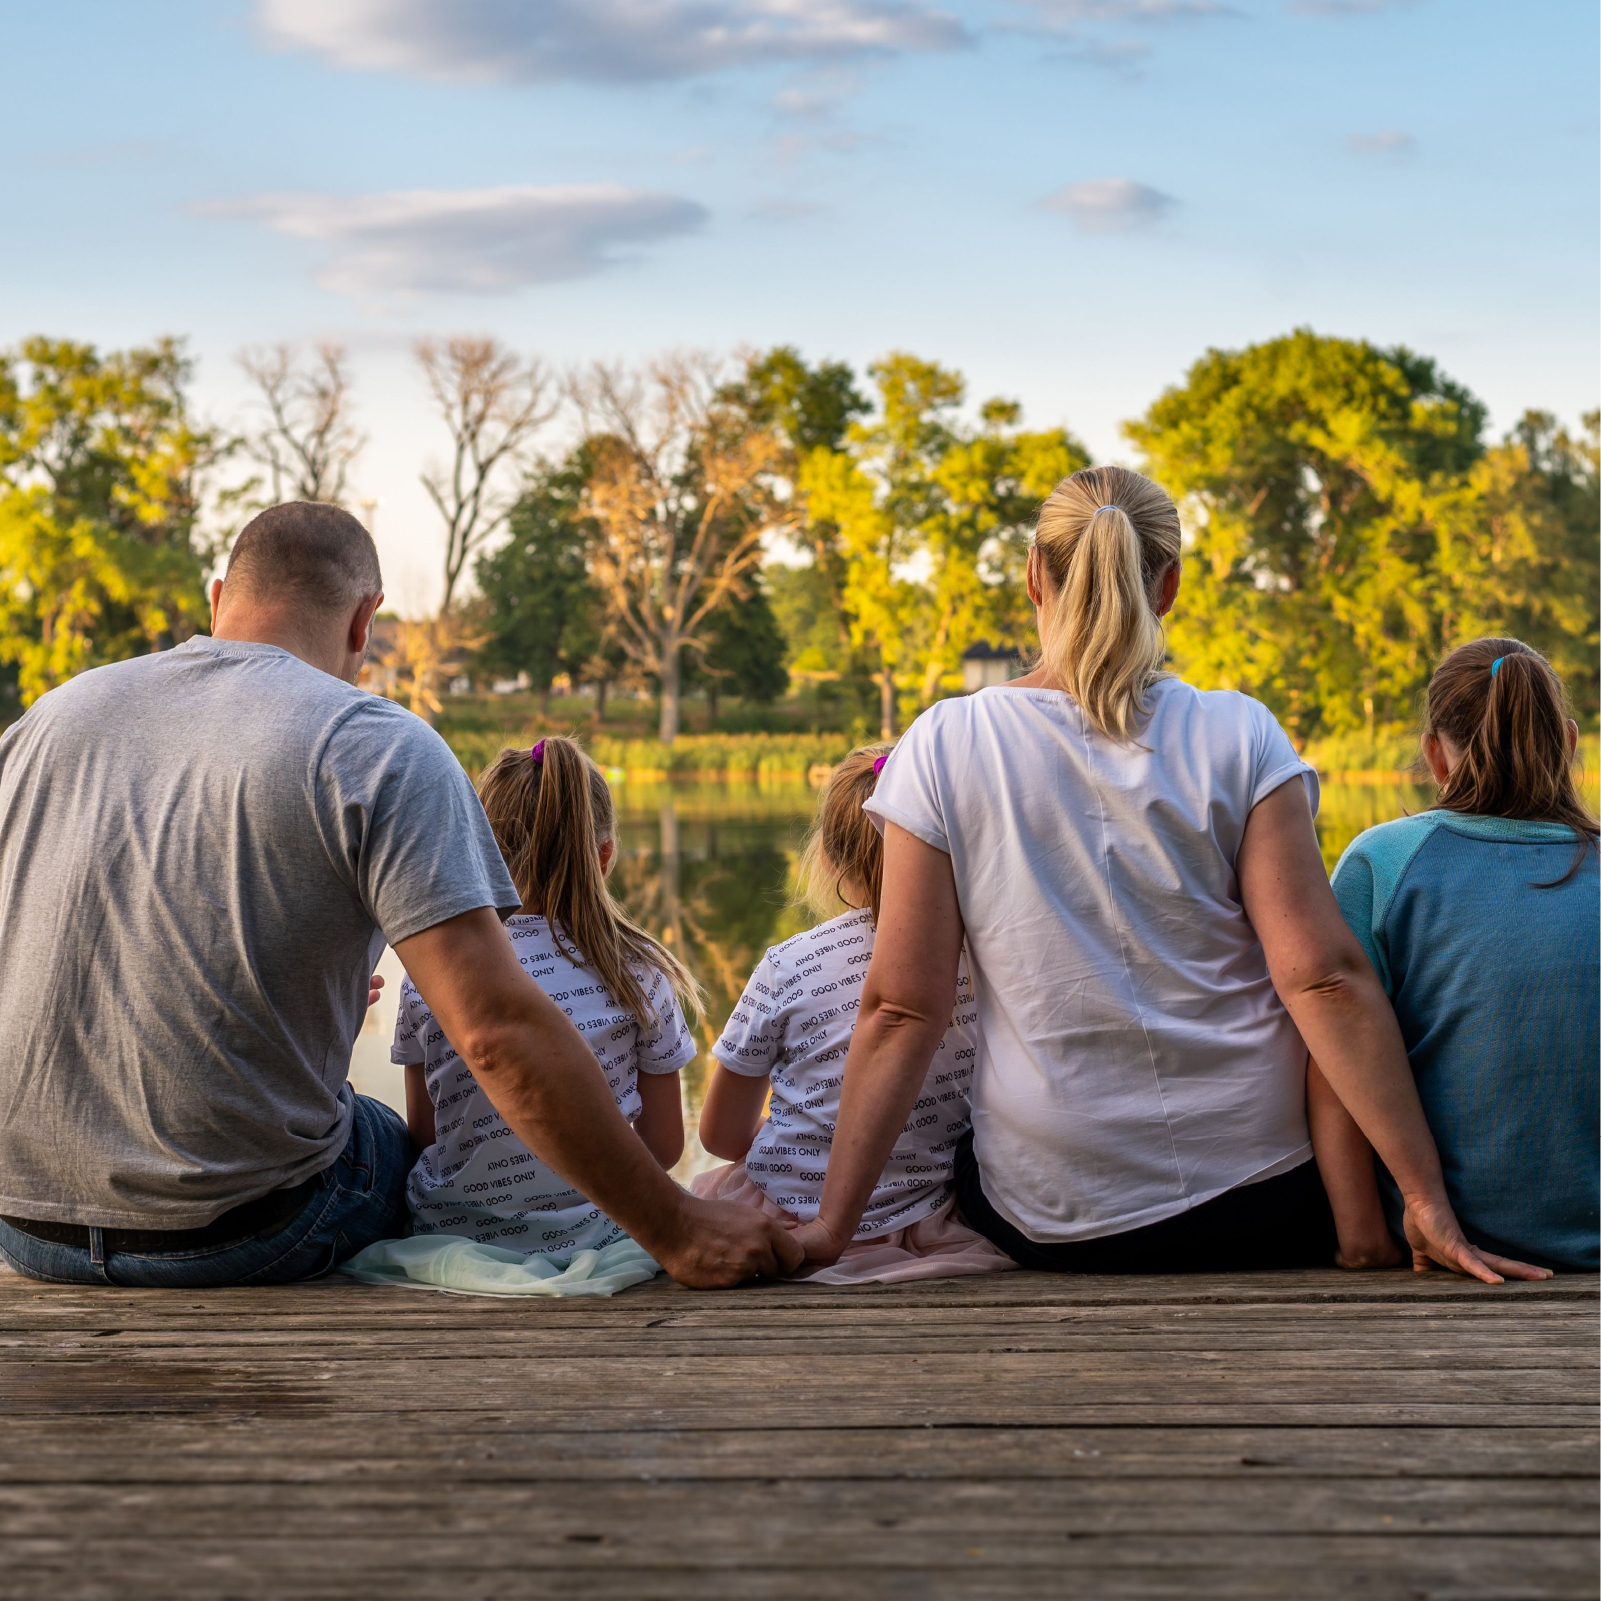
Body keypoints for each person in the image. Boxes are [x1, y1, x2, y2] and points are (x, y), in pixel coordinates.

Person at [0, 502, 799, 1290]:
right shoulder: (375, 743)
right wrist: (677, 1227)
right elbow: (493, 1031)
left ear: (218, 600)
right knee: (388, 1139)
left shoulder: (44, 722)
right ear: (364, 620)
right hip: (242, 1234)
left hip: (25, 1223)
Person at [786, 465, 1547, 1283]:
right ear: (1170, 584)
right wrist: (1423, 1199)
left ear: (1034, 576)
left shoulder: (943, 743)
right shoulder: (1240, 732)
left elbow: (902, 1007)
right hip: (1262, 1194)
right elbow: (1322, 980)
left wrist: (830, 1228)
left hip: (1054, 1216)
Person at [350, 737, 696, 1294]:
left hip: (455, 1233)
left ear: (477, 851)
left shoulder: (435, 975)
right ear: (604, 857)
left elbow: (425, 1136)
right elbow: (665, 1147)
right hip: (601, 1234)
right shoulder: (641, 974)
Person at [1309, 639, 1598, 1273]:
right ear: (1569, 744)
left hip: (1439, 1243)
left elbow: (1336, 1049)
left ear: (1434, 753)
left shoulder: (1382, 861)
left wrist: (1363, 1244)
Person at [693, 746, 1013, 1283]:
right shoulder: (987, 962)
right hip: (934, 1220)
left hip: (785, 1216)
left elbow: (722, 1136)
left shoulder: (789, 963)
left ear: (827, 857)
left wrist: (808, 1140)